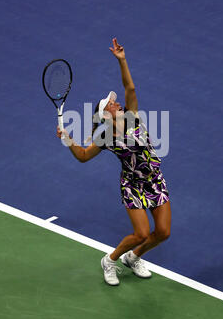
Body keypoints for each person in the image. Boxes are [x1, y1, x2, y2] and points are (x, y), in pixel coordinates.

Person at [57, 38, 171, 286]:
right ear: (106, 113)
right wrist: (67, 139)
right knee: (141, 233)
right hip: (132, 186)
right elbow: (84, 156)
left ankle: (133, 258)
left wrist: (122, 60)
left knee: (162, 232)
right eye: (111, 102)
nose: (117, 101)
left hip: (154, 181)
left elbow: (130, 88)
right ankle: (110, 260)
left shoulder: (133, 118)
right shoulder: (106, 137)